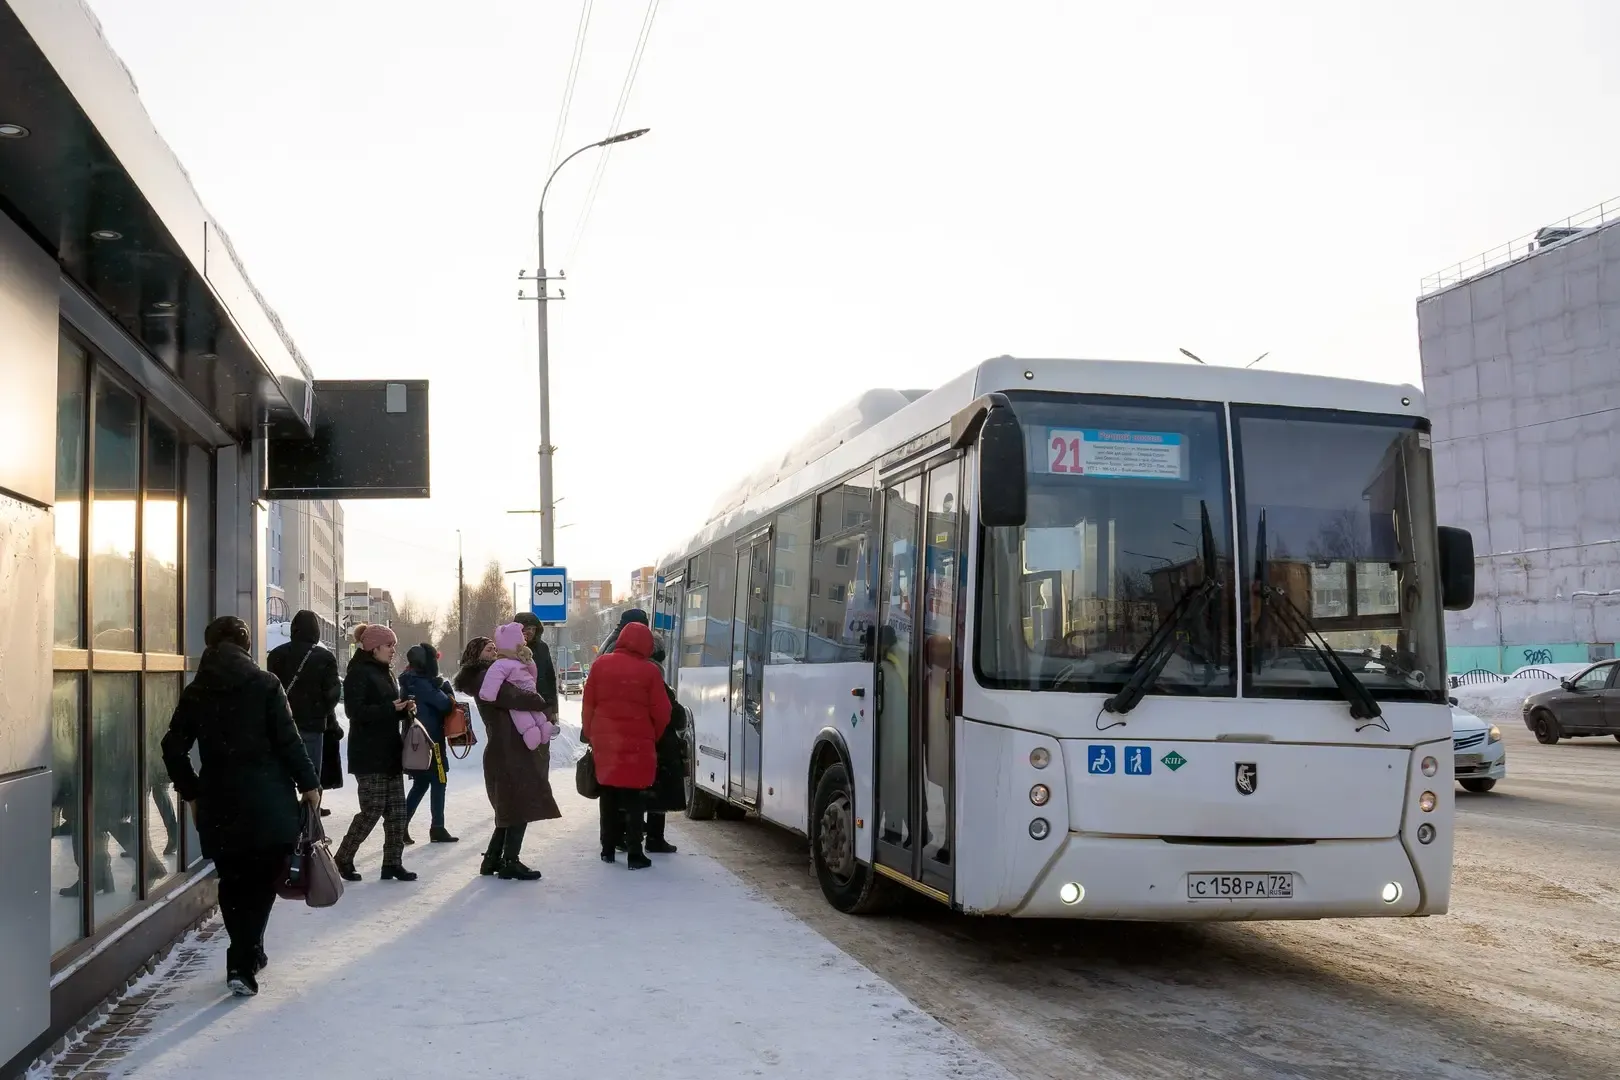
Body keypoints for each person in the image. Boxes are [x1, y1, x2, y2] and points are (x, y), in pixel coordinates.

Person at [161, 615, 321, 997]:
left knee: (233, 881)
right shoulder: (266, 684)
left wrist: (193, 792)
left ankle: (249, 951)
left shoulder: (197, 690)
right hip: (269, 801)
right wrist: (310, 785)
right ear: (247, 646)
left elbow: (172, 747)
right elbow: (289, 740)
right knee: (264, 878)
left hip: (220, 800)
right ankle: (243, 959)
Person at [453, 636, 560, 881]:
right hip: (508, 749)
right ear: (475, 654)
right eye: (487, 648)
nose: (493, 649)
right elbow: (515, 696)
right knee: (518, 805)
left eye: (494, 646)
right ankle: (510, 861)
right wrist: (537, 699)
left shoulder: (488, 675)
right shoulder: (485, 678)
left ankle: (492, 859)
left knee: (510, 807)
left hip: (507, 747)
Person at [581, 621, 670, 871]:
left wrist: (590, 733)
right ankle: (634, 853)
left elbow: (588, 704)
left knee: (608, 795)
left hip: (606, 740)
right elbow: (663, 711)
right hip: (638, 745)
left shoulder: (600, 665)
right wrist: (653, 735)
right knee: (634, 798)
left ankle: (607, 849)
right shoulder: (650, 672)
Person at [334, 623, 417, 883]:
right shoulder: (358, 673)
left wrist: (403, 709)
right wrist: (388, 708)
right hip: (368, 754)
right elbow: (355, 712)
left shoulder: (386, 673)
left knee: (398, 812)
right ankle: (343, 858)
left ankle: (392, 863)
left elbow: (386, 710)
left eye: (394, 645)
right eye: (389, 645)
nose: (394, 650)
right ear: (374, 648)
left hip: (389, 751)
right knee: (372, 809)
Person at [266, 610, 341, 817]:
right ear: (316, 631)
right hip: (311, 727)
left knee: (283, 775)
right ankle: (310, 826)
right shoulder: (324, 657)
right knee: (310, 776)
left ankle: (285, 819)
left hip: (280, 726)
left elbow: (268, 690)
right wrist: (319, 712)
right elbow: (333, 693)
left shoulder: (276, 655)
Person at [400, 643, 458, 844]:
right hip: (432, 741)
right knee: (439, 781)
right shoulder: (424, 683)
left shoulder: (409, 681)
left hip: (416, 740)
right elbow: (445, 705)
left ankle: (401, 826)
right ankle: (437, 827)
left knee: (422, 782)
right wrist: (445, 688)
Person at [639, 642, 688, 855]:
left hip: (637, 744)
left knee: (636, 794)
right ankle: (654, 838)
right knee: (657, 793)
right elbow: (672, 715)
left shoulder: (632, 676)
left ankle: (632, 834)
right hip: (658, 746)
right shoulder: (655, 680)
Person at [481, 623, 559, 751]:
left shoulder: (504, 663)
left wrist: (487, 694)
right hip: (526, 690)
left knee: (527, 716)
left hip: (521, 691)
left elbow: (493, 678)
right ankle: (539, 731)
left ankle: (537, 733)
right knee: (531, 716)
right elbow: (533, 674)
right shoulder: (512, 662)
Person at [512, 612, 560, 731]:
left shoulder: (542, 647)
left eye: (533, 628)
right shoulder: (510, 647)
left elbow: (550, 677)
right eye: (527, 628)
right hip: (519, 705)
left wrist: (553, 708)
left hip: (543, 703)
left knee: (543, 742)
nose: (531, 632)